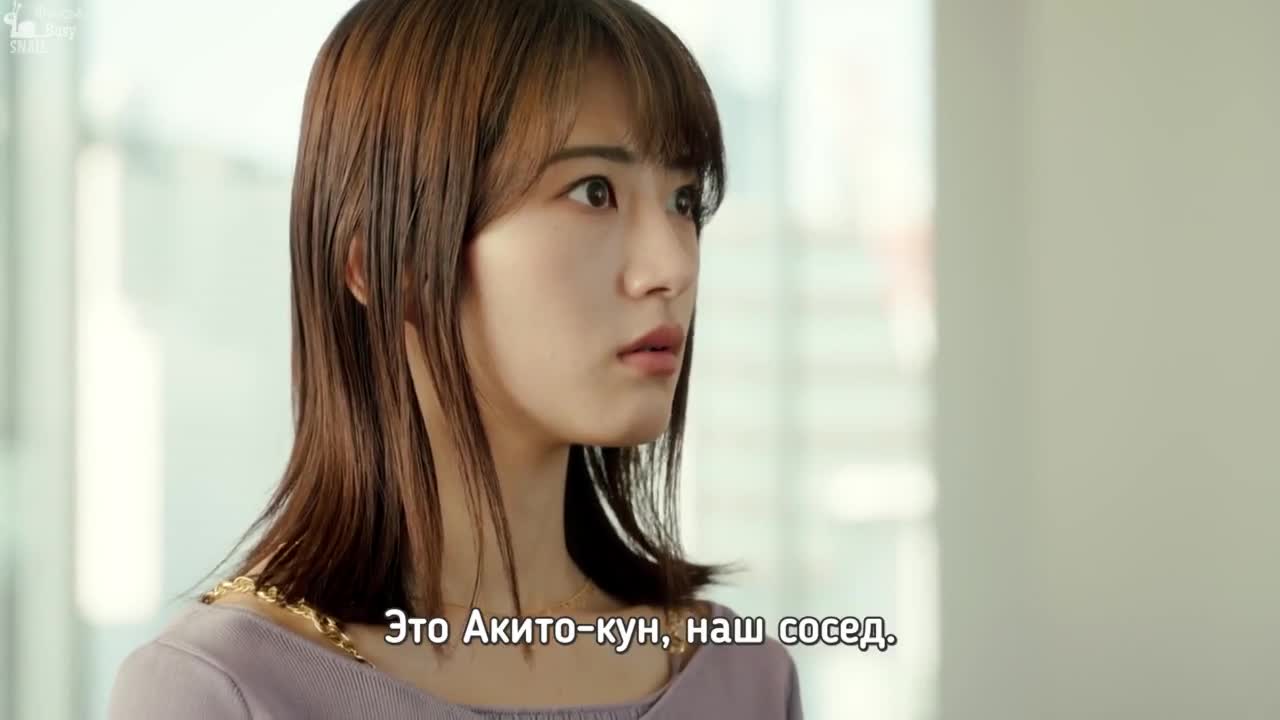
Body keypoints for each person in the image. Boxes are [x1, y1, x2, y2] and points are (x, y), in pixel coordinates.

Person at [109, 0, 803, 717]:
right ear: (392, 267)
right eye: (594, 192)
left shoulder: (744, 677)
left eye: (684, 200)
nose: (673, 267)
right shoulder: (221, 691)